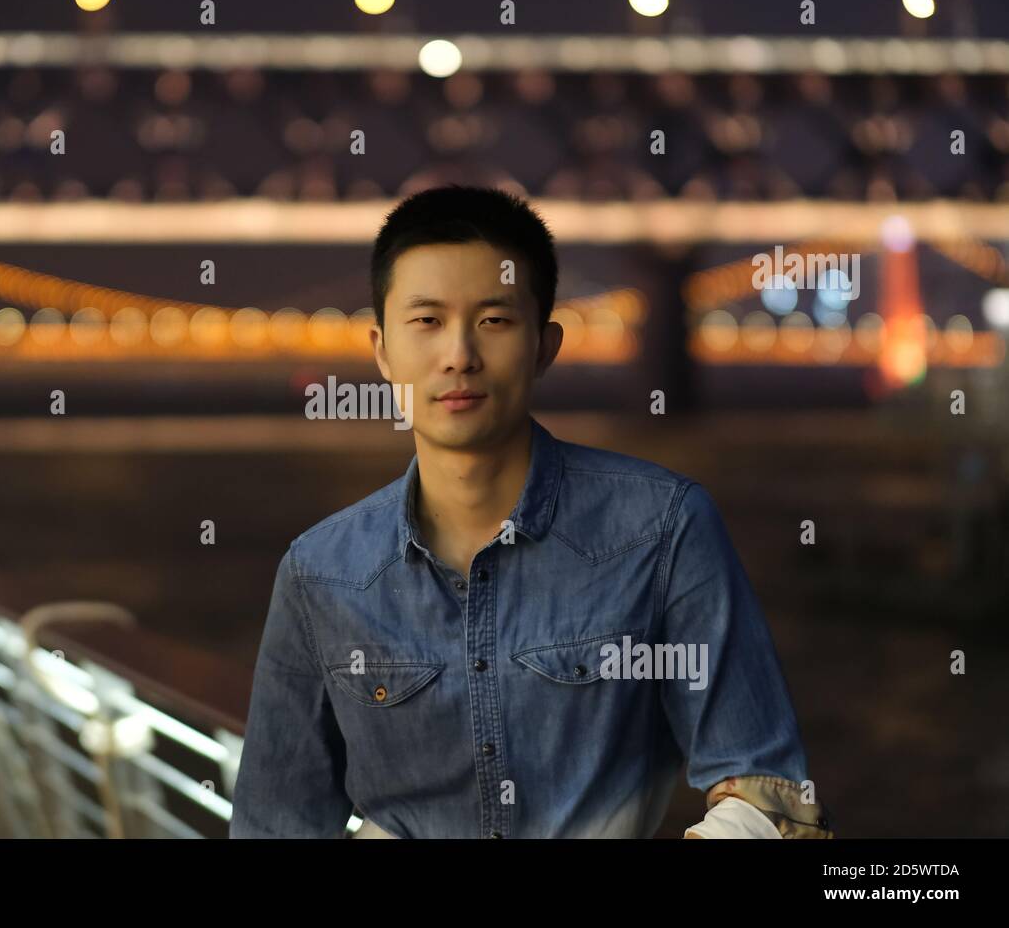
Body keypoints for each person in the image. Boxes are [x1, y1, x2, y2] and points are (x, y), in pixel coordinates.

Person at [230, 184, 832, 839]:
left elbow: (770, 796)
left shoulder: (664, 528)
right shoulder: (320, 573)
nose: (458, 354)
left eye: (494, 320)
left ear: (546, 346)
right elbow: (275, 822)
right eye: (427, 321)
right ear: (381, 352)